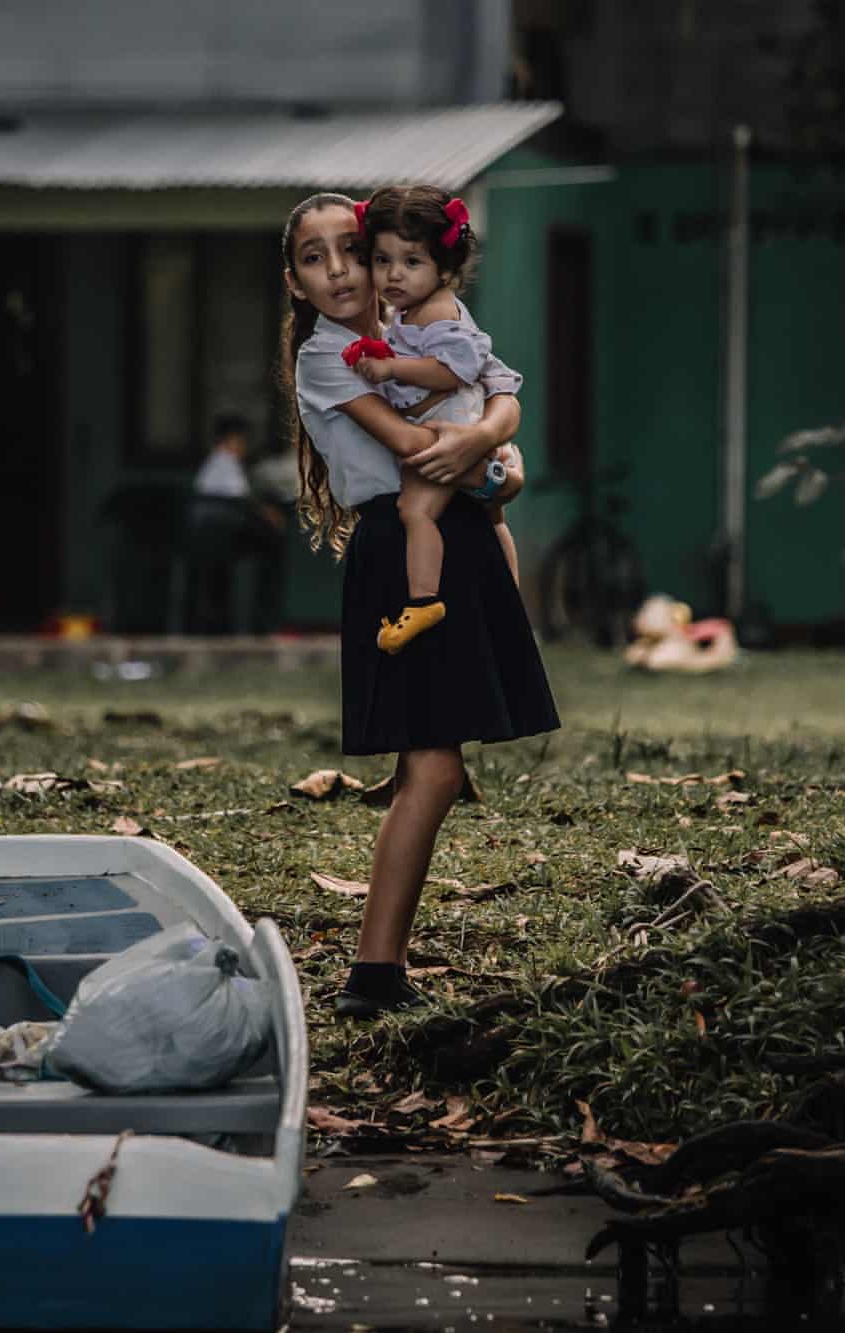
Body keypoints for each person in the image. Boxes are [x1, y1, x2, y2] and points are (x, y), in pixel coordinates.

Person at [279, 191, 560, 1018]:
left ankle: (382, 965)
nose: (339, 270)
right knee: (434, 767)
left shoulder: (418, 331)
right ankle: (372, 973)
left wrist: (495, 445)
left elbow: (500, 391)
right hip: (404, 556)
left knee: (429, 764)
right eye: (312, 257)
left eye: (351, 250)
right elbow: (418, 449)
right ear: (294, 283)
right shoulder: (330, 358)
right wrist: (487, 449)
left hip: (455, 538)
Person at [345, 186, 520, 653]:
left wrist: (390, 367)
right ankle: (510, 597)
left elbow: (451, 370)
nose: (393, 274)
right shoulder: (412, 312)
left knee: (416, 510)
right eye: (382, 261)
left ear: (445, 268)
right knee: (494, 514)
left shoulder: (438, 312)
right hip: (458, 426)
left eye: (411, 262)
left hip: (449, 428)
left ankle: (423, 599)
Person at [187, 414, 286, 632]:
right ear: (231, 439)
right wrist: (268, 514)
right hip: (220, 542)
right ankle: (261, 621)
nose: (244, 446)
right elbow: (241, 499)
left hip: (212, 542)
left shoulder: (217, 462)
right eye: (241, 440)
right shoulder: (224, 461)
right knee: (271, 543)